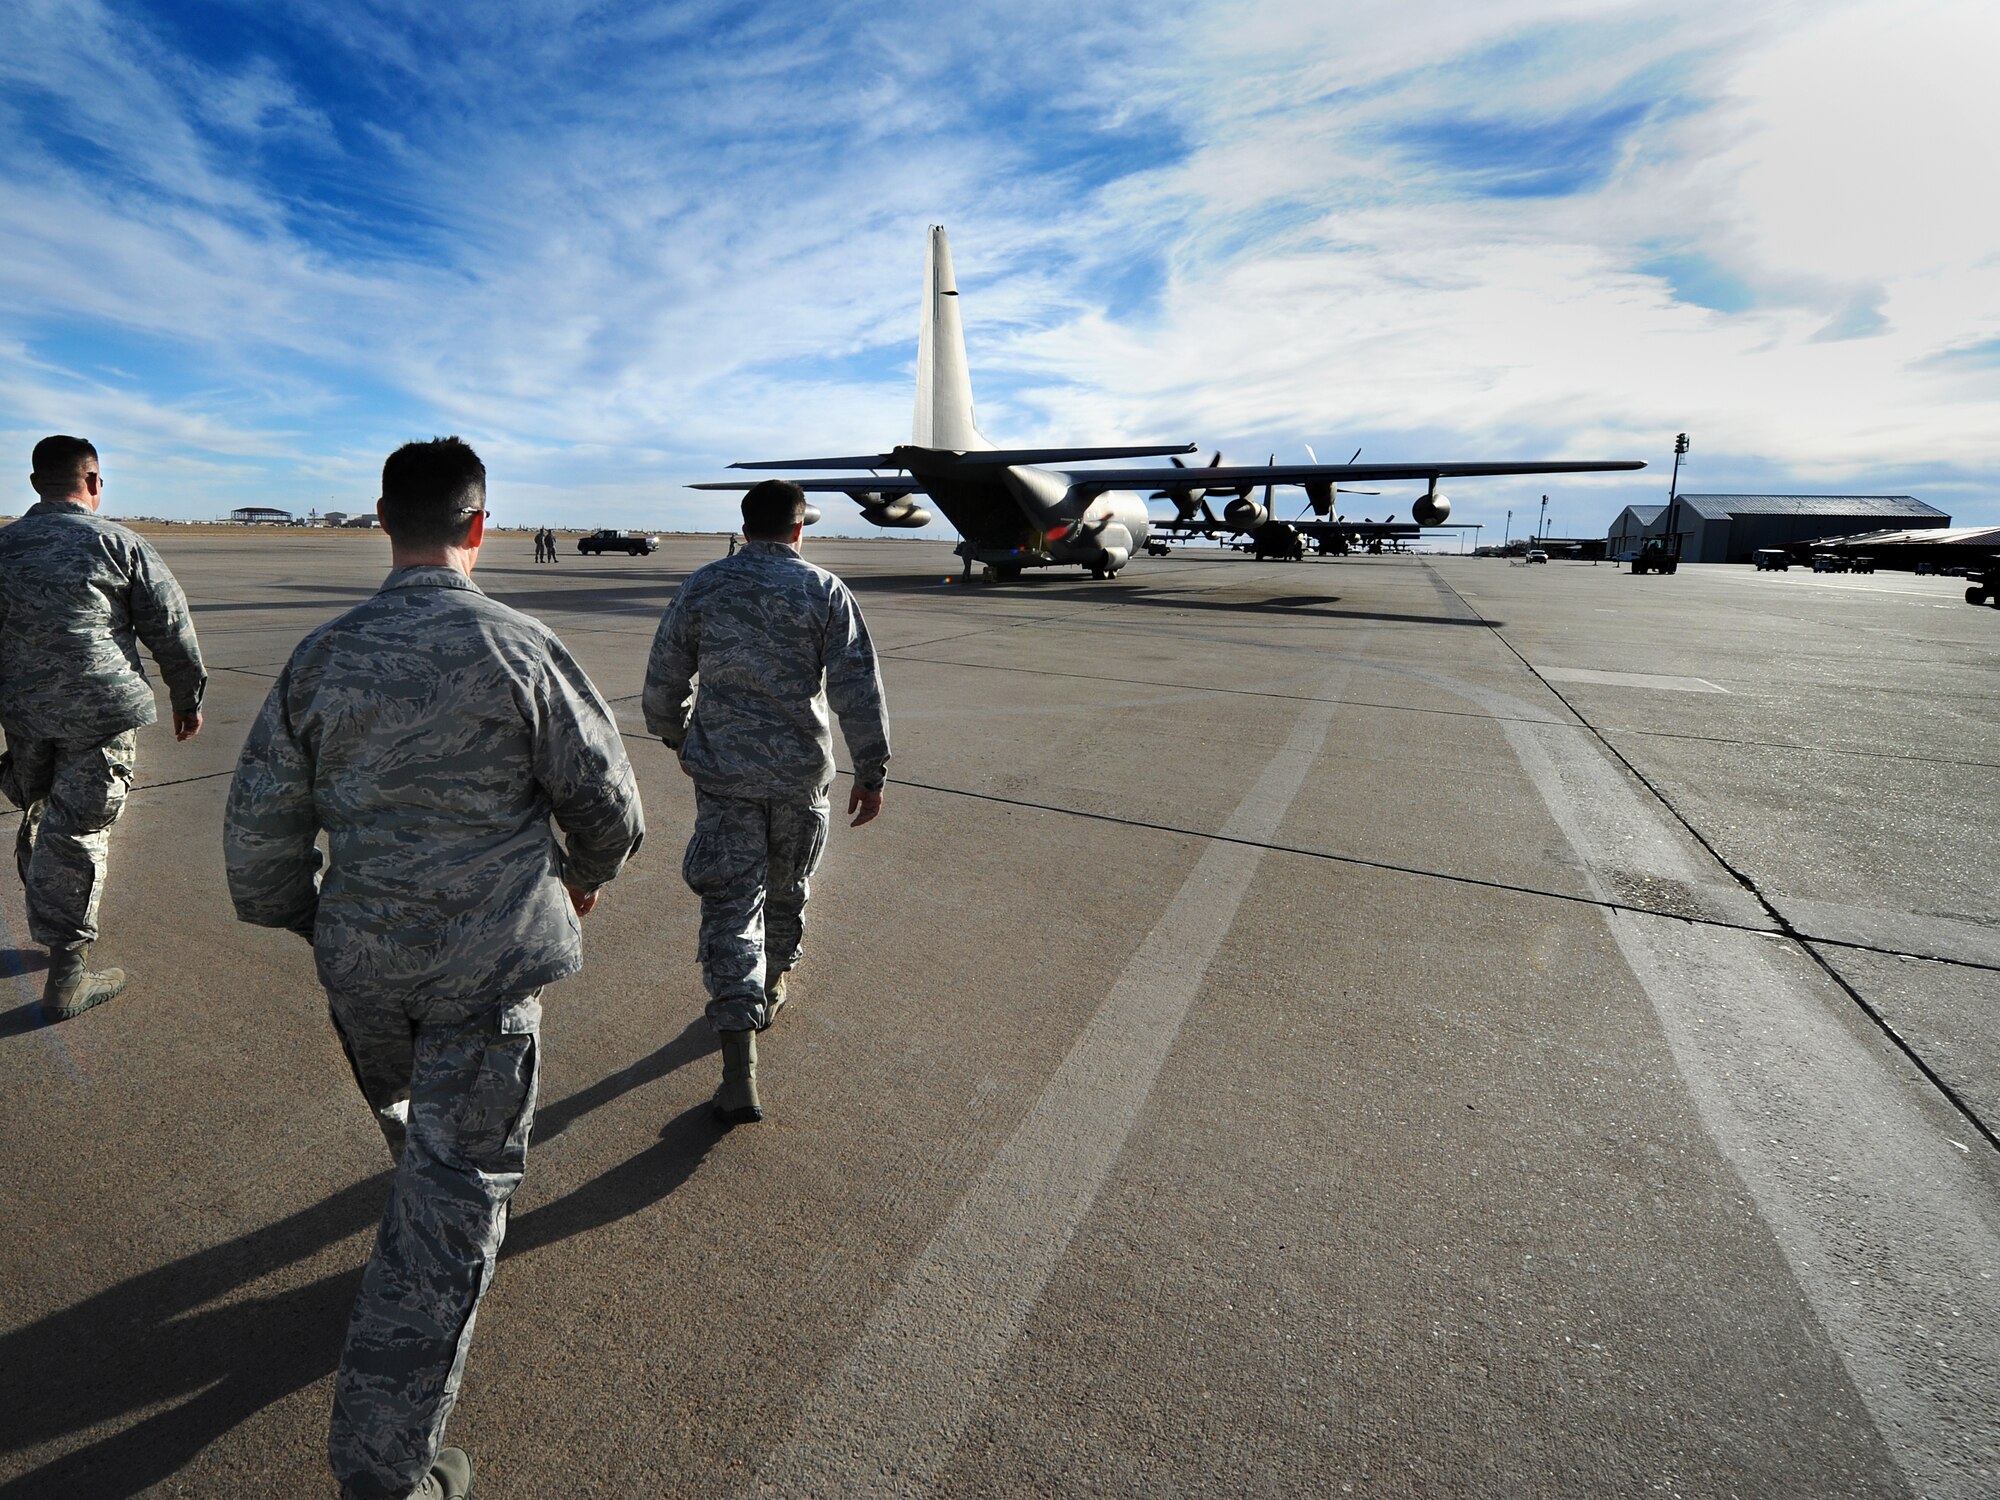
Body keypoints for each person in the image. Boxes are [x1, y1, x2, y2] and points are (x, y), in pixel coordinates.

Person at [224, 437, 644, 1500]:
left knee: (414, 1127)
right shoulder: (522, 649)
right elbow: (609, 809)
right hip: (482, 978)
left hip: (362, 969)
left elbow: (260, 830)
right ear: (479, 525)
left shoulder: (322, 656)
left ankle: (427, 1184)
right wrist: (582, 877)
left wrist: (309, 922)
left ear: (382, 519)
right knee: (446, 1224)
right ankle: (386, 1469)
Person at [643, 478, 889, 1124]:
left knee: (731, 909)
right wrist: (871, 768)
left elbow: (664, 675)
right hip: (800, 781)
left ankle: (737, 1068)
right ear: (800, 527)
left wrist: (676, 730)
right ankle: (775, 980)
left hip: (725, 779)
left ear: (746, 525)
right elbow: (856, 686)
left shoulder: (705, 586)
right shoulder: (824, 591)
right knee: (786, 890)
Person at [0, 435, 206, 1021]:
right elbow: (171, 628)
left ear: (38, 482)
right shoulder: (119, 543)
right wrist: (187, 698)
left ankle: (52, 927)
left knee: (42, 814)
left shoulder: (3, 547)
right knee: (81, 832)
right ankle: (66, 976)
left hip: (28, 718)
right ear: (92, 481)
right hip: (101, 714)